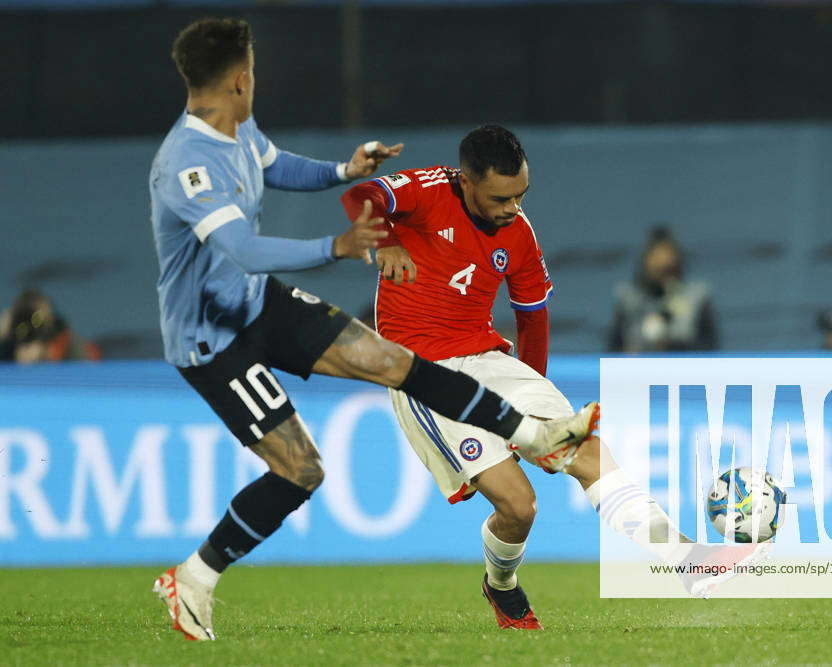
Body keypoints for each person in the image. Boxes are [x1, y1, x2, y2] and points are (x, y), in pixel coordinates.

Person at [149, 20, 598, 642]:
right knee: (300, 470)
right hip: (211, 333)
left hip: (260, 303)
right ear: (241, 78)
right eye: (255, 69)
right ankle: (194, 577)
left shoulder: (237, 129)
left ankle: (530, 431)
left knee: (394, 360)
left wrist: (342, 169)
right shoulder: (185, 164)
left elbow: (280, 167)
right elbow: (242, 248)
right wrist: (339, 244)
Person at [341, 125, 744, 629]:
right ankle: (501, 586)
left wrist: (526, 411)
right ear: (465, 181)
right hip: (423, 372)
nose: (513, 207)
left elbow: (532, 315)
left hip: (490, 360)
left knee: (587, 450)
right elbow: (361, 194)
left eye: (521, 195)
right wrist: (387, 242)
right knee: (519, 507)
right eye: (500, 197)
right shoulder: (424, 191)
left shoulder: (519, 231)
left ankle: (688, 562)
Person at [608, 227, 718, 353]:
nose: (664, 272)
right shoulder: (627, 298)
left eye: (670, 268)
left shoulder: (697, 297)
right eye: (658, 268)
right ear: (646, 263)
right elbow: (614, 348)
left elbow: (710, 346)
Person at [0, 289, 101, 363]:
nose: (30, 324)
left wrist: (47, 355)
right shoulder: (8, 341)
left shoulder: (65, 338)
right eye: (23, 316)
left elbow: (89, 367)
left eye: (36, 317)